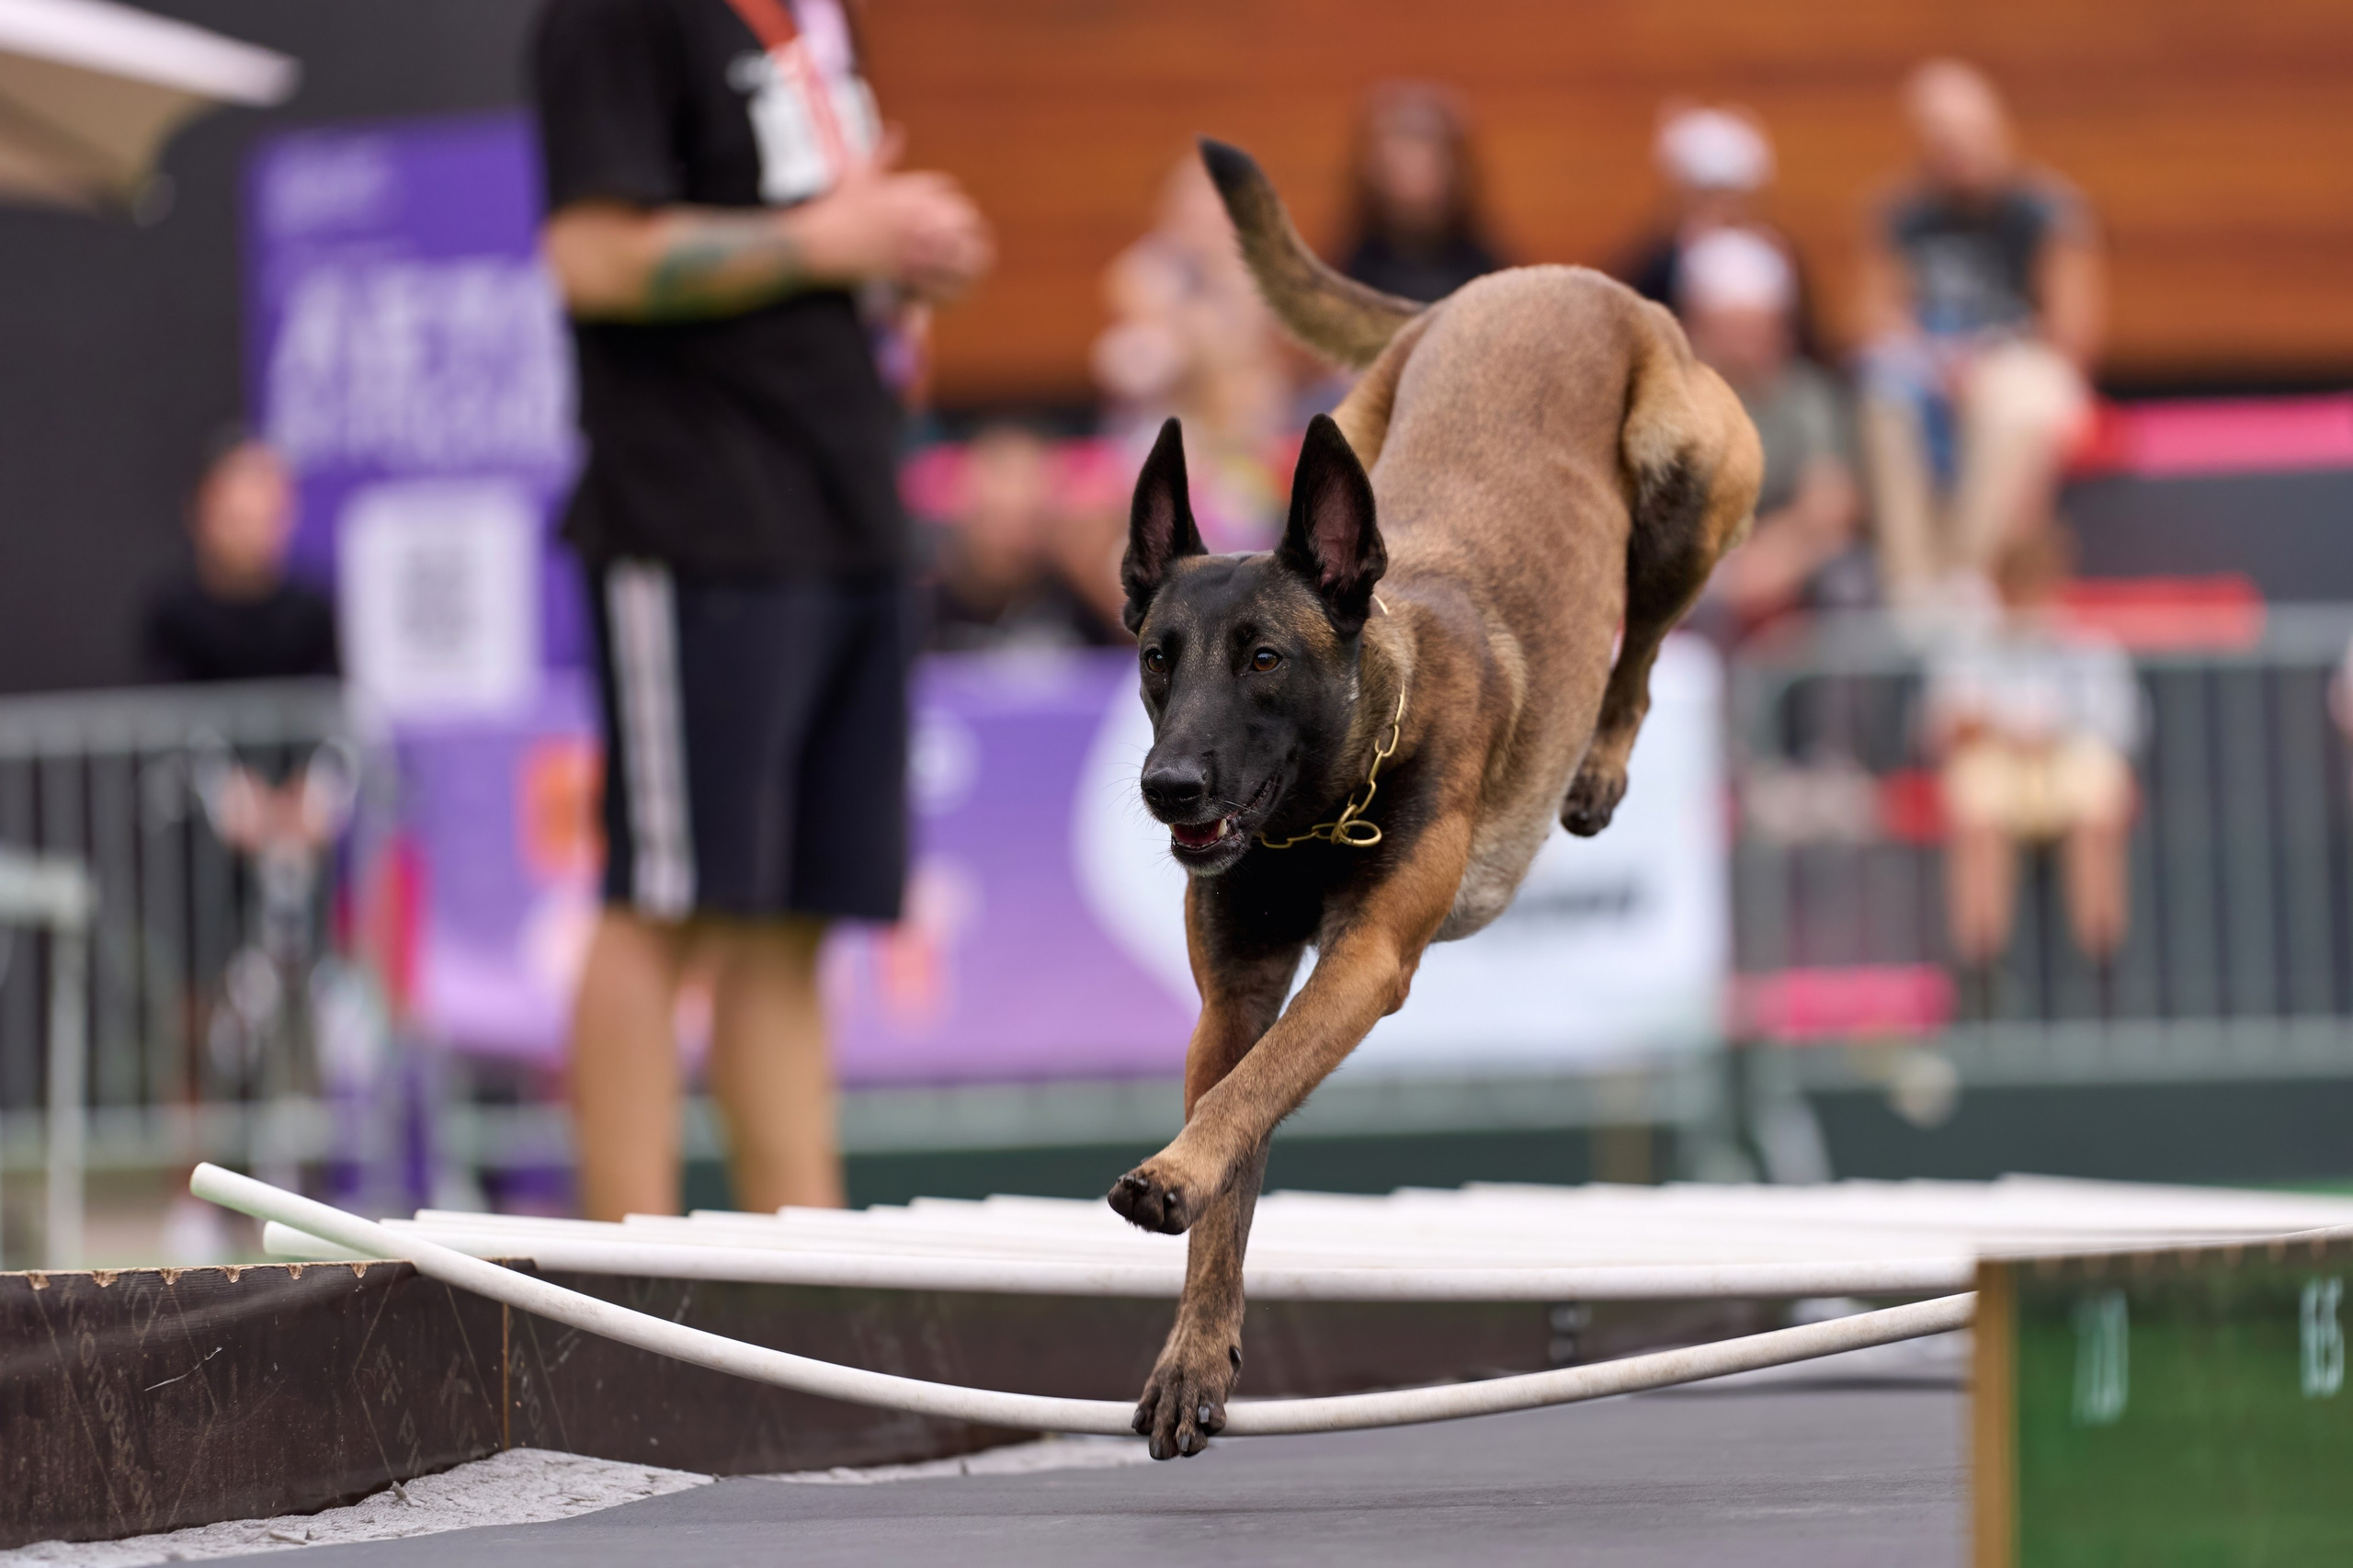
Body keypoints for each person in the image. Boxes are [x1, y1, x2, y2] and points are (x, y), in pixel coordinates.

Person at [531, 0, 992, 1220]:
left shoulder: (816, 19)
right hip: (698, 517)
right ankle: (615, 1284)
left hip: (846, 505)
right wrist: (831, 240)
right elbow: (591, 256)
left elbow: (828, 225)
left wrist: (894, 251)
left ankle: (803, 1282)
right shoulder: (618, 16)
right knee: (669, 900)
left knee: (795, 916)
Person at [1855, 60, 2104, 612]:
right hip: (1930, 366)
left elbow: (2073, 334)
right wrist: (1932, 359)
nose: (1957, 151)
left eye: (1968, 135)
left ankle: (1970, 577)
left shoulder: (2048, 212)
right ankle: (1912, 588)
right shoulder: (1901, 214)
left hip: (2023, 365)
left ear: (1999, 131)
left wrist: (1987, 359)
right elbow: (1873, 320)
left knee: (2011, 404)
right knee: (1884, 397)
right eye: (1941, 140)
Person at [1926, 527, 2139, 1006]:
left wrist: (2047, 735)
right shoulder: (1965, 646)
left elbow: (2119, 727)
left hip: (2066, 769)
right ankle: (1982, 973)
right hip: (1999, 773)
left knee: (2096, 810)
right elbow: (1942, 726)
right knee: (1977, 811)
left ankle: (2101, 968)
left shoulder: (2090, 646)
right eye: (2017, 580)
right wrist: (2004, 731)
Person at [1677, 229, 1870, 643]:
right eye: (1736, 330)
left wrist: (1778, 557)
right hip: (1697, 560)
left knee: (1850, 582)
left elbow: (1832, 501)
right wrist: (1727, 565)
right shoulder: (1671, 401)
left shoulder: (1807, 396)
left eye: (1761, 328)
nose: (1752, 344)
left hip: (1790, 555)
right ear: (1699, 327)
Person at [142, 434, 337, 685]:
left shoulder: (311, 612)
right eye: (238, 520)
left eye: (266, 521)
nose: (251, 536)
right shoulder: (171, 612)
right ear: (201, 513)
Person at [926, 424, 1126, 652]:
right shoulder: (925, 607)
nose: (1015, 497)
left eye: (1027, 479)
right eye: (1002, 475)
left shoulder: (1078, 597)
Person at [1333, 82, 1505, 304]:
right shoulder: (1343, 274)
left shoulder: (1490, 273)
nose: (1413, 167)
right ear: (1371, 168)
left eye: (1427, 146)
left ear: (1457, 167)